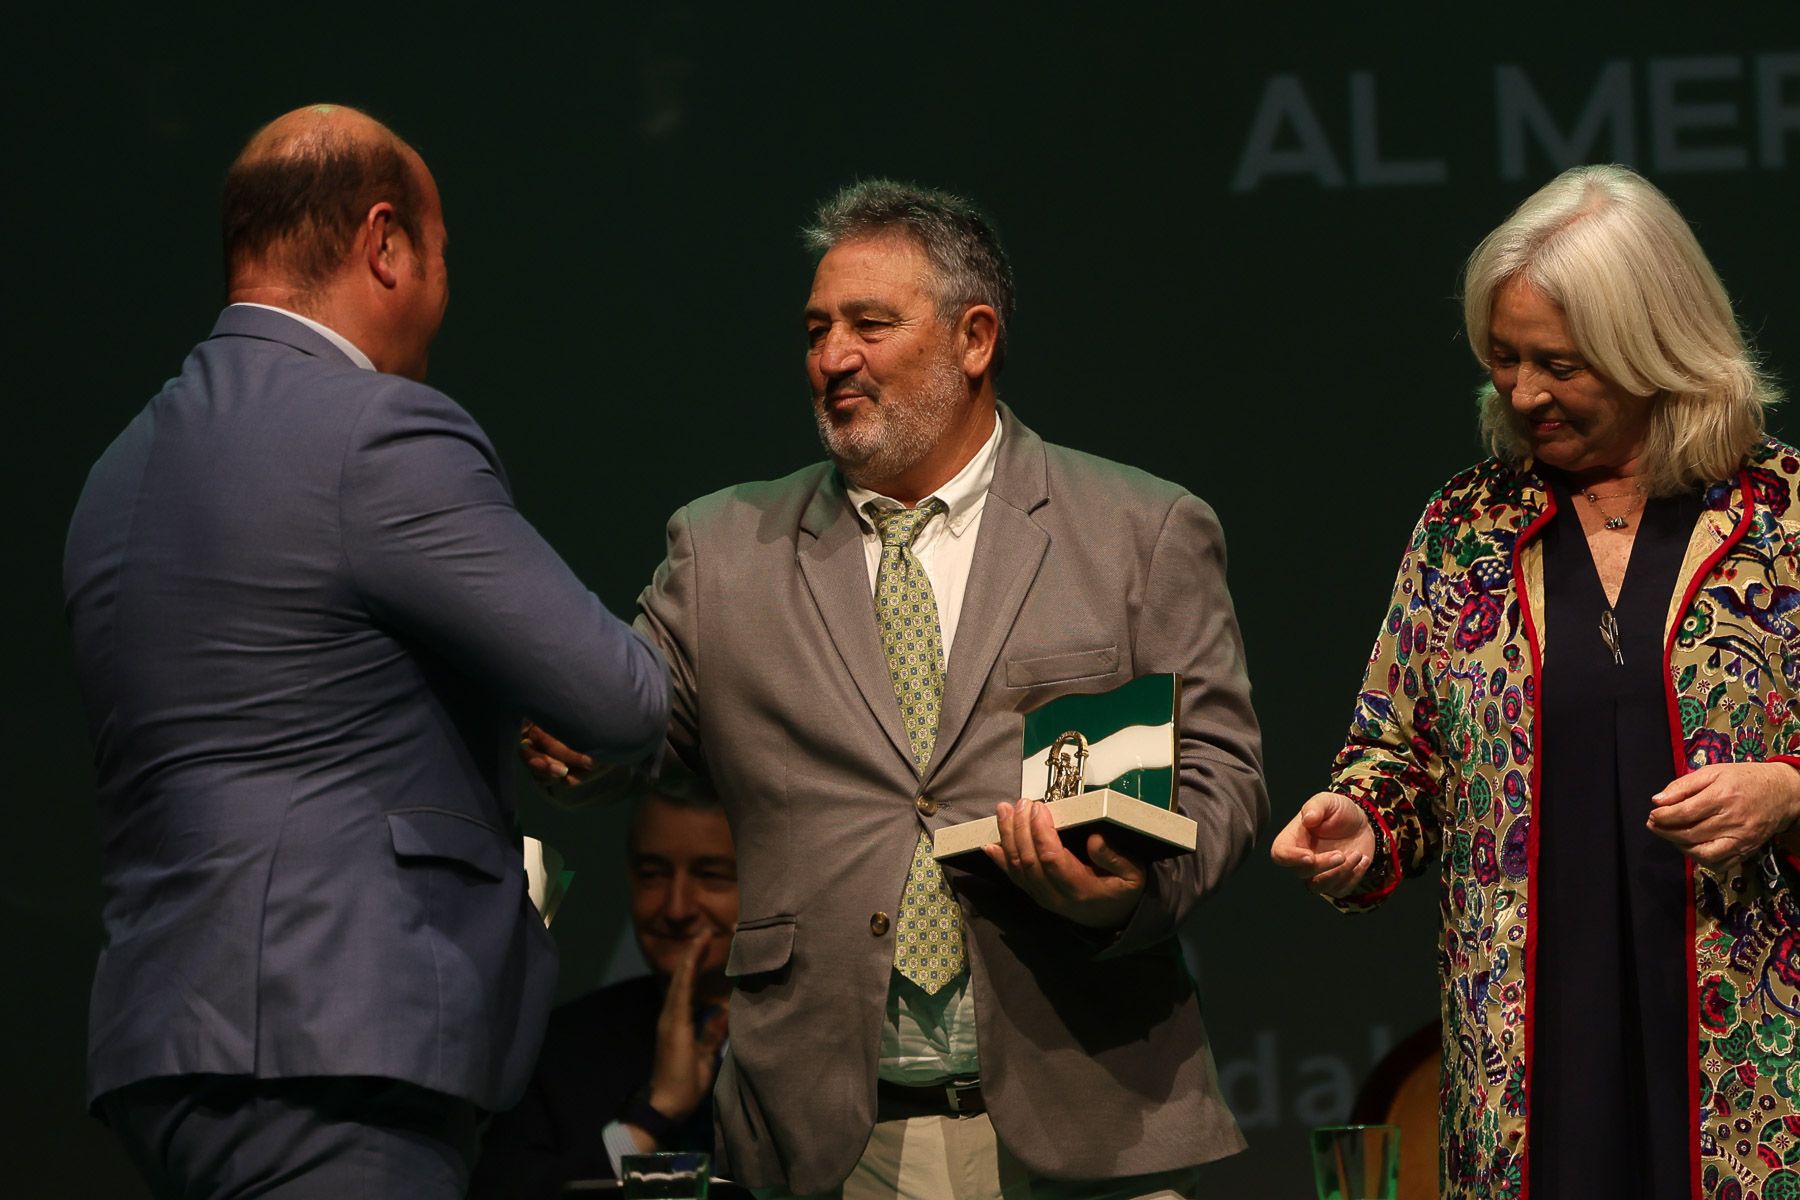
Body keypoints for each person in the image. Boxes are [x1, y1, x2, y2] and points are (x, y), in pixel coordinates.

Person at [529, 180, 1266, 1200]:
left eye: (871, 325)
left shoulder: (1138, 529)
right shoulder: (721, 549)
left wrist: (1132, 893)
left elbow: (1220, 774)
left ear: (974, 337)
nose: (833, 357)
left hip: (1088, 1114)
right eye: (818, 329)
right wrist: (576, 742)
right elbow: (629, 724)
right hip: (828, 1134)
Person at [62, 104, 670, 1199]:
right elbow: (619, 699)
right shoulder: (378, 432)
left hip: (167, 1048)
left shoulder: (119, 470)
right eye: (441, 257)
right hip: (335, 1042)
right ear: (384, 243)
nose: (443, 293)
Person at [1271, 164, 1797, 1200]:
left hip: (1755, 1059)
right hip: (1529, 1066)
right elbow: (1400, 753)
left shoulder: (1782, 517)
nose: (1521, 393)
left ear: (1654, 348)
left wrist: (1788, 792)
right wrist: (1361, 821)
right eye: (1503, 358)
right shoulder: (1466, 527)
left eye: (1558, 363)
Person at [470, 778, 736, 1197]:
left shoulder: (825, 1040)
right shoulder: (563, 1041)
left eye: (712, 876)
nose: (677, 908)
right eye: (653, 874)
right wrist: (652, 1115)